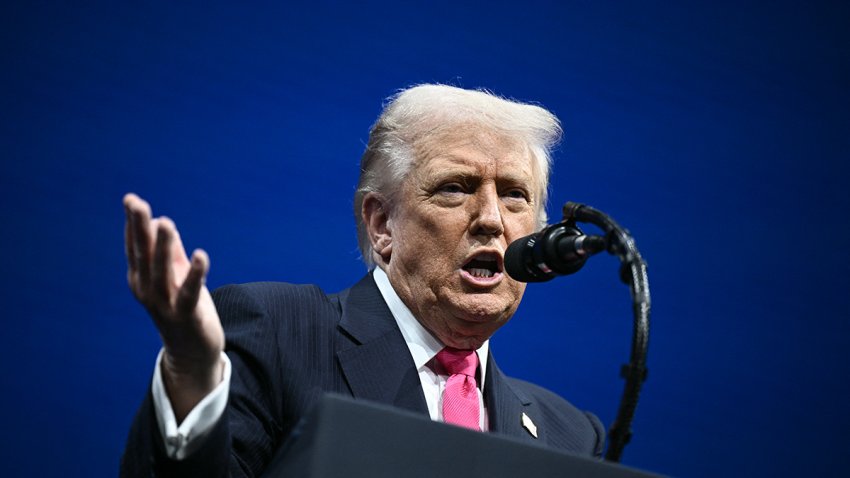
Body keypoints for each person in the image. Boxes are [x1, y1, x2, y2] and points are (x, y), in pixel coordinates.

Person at [120, 84, 604, 477]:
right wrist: (192, 376)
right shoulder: (278, 336)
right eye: (455, 188)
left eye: (515, 195)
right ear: (381, 225)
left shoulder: (570, 436)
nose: (492, 220)